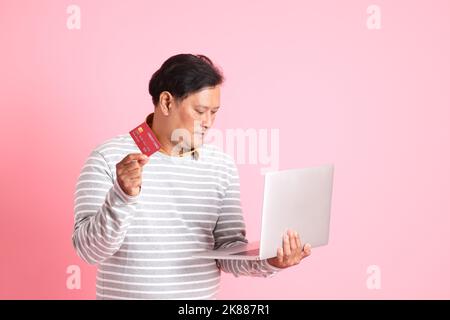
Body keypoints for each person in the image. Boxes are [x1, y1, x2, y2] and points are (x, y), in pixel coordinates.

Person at [72, 53, 312, 299]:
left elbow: (228, 254)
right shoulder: (107, 158)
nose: (208, 122)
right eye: (200, 111)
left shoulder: (221, 166)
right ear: (166, 102)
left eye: (214, 112)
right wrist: (121, 197)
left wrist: (271, 260)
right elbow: (89, 252)